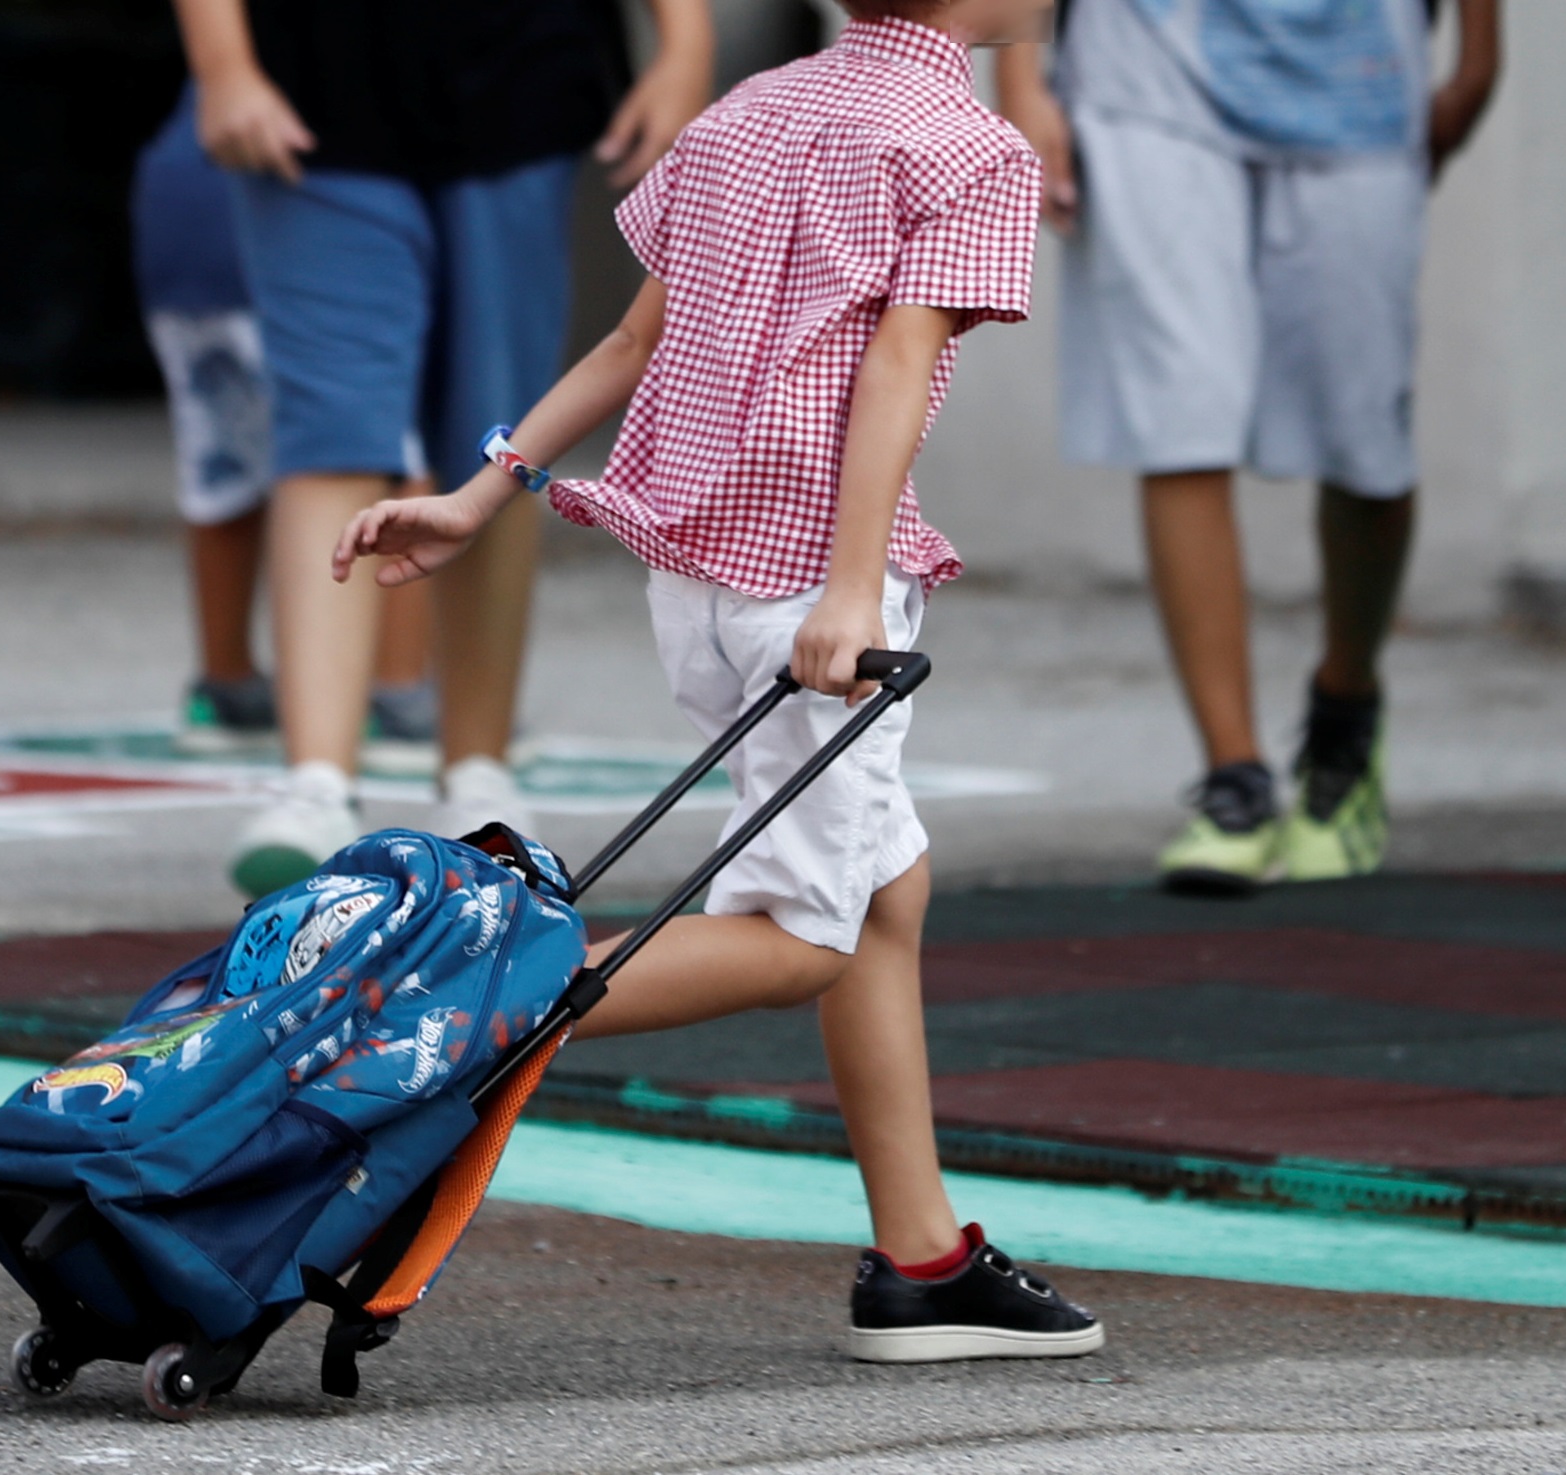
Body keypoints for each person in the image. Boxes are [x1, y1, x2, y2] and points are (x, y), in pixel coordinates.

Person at [332, 0, 1105, 1360]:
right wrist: (855, 588)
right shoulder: (967, 147)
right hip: (813, 594)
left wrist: (478, 492)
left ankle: (921, 1255)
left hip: (698, 584)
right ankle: (465, 1007)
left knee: (882, 884)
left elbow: (632, 347)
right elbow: (898, 363)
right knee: (802, 934)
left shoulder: (745, 113)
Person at [169, 0, 716, 896]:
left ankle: (477, 772)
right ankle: (316, 781)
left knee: (498, 436)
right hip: (309, 89)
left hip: (519, 79)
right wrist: (221, 59)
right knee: (330, 425)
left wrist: (685, 41)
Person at [996, 0, 1499, 894]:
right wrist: (1019, 77)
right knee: (1180, 421)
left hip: (1361, 71)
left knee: (1364, 442)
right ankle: (1234, 776)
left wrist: (1476, 61)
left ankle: (1346, 706)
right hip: (1142, 66)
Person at [129, 85, 441, 762]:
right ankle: (395, 693)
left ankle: (226, 684)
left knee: (221, 461)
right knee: (392, 452)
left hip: (181, 213)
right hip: (300, 210)